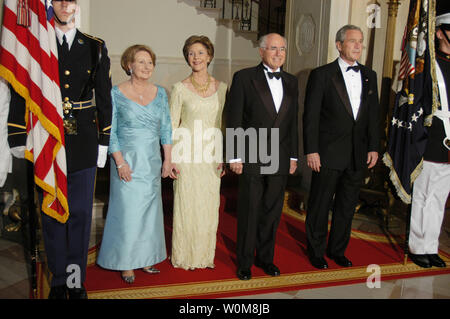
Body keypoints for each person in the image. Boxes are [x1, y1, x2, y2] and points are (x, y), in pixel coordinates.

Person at [7, 0, 112, 298]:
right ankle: (57, 281)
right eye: (61, 0)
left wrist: (104, 140)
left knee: (79, 214)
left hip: (83, 141)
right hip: (46, 139)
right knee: (51, 214)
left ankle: (76, 282)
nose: (67, 5)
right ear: (53, 5)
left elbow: (104, 98)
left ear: (77, 7)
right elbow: (21, 89)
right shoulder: (37, 44)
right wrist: (17, 133)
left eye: (72, 1)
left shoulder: (95, 46)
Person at [303, 25, 380, 269]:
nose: (358, 46)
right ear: (339, 45)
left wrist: (373, 147)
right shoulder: (322, 74)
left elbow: (373, 116)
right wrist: (311, 149)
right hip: (327, 153)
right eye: (352, 41)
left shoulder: (370, 75)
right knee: (320, 204)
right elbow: (310, 116)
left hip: (357, 154)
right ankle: (315, 251)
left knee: (347, 206)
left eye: (360, 41)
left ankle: (337, 250)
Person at [97, 45, 174, 282]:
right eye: (141, 62)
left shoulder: (161, 93)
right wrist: (119, 162)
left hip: (151, 161)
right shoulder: (116, 93)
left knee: (150, 213)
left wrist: (167, 160)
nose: (146, 66)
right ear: (129, 65)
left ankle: (148, 257)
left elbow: (166, 129)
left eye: (150, 62)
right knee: (128, 212)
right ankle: (127, 261)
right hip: (127, 162)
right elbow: (110, 132)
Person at [226, 33, 299, 280]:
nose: (279, 53)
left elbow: (292, 123)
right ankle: (244, 262)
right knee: (250, 210)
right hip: (252, 154)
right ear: (261, 51)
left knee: (272, 211)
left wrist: (294, 156)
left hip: (280, 156)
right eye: (273, 48)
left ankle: (266, 259)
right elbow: (234, 118)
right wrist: (234, 155)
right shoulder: (244, 78)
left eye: (282, 49)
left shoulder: (291, 81)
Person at [170, 35, 227, 270]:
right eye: (191, 53)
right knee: (186, 204)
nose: (196, 57)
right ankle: (184, 256)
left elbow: (223, 124)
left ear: (209, 56)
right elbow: (172, 126)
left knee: (208, 204)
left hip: (211, 154)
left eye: (200, 53)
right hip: (186, 154)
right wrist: (171, 158)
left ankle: (204, 256)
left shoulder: (222, 88)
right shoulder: (179, 88)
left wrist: (223, 156)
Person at [407, 3, 449, 269]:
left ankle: (431, 246)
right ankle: (417, 246)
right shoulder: (428, 67)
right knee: (423, 195)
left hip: (449, 145)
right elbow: (416, 103)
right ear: (440, 33)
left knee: (439, 198)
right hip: (431, 139)